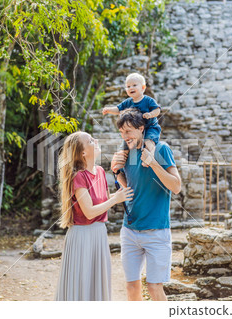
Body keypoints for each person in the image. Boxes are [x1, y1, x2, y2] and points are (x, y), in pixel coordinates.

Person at [110, 109, 182, 301]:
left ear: (141, 128)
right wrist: (116, 172)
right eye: (122, 132)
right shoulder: (125, 151)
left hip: (156, 232)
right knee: (132, 286)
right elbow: (130, 189)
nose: (125, 136)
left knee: (154, 287)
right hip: (130, 231)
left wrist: (153, 163)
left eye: (129, 131)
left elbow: (176, 186)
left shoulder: (161, 149)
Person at [55, 131, 134, 301]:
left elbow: (104, 200)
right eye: (90, 140)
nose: (96, 140)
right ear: (83, 152)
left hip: (98, 234)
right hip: (82, 236)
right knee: (82, 284)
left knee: (95, 284)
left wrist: (123, 194)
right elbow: (89, 211)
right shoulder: (79, 177)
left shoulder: (99, 171)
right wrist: (116, 200)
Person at [102, 73, 162, 171]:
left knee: (149, 142)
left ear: (143, 87)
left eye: (134, 85)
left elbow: (157, 110)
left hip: (150, 127)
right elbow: (118, 109)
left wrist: (150, 114)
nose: (131, 88)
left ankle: (150, 157)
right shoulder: (128, 102)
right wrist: (109, 110)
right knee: (124, 147)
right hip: (134, 131)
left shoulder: (148, 100)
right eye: (128, 86)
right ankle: (120, 164)